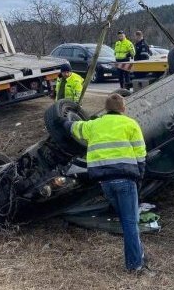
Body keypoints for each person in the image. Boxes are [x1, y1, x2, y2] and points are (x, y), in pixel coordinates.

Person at [66, 93, 149, 273]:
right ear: (123, 109)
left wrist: (64, 121)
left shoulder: (94, 124)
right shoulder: (130, 124)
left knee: (127, 220)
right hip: (125, 180)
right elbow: (141, 155)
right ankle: (136, 265)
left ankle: (138, 254)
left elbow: (73, 127)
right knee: (130, 223)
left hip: (105, 182)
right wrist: (139, 178)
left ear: (106, 108)